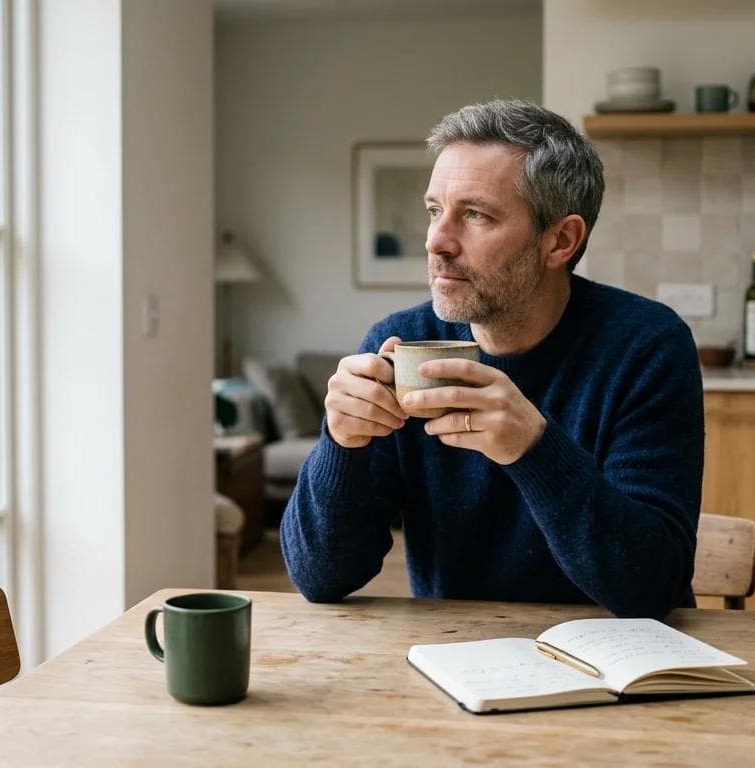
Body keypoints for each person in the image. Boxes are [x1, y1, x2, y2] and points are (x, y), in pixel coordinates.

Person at [280, 99, 703, 619]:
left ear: (561, 240)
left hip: (624, 667)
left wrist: (534, 448)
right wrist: (341, 444)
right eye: (435, 210)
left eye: (475, 215)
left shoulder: (645, 346)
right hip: (459, 664)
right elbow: (320, 578)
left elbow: (653, 587)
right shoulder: (399, 343)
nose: (437, 241)